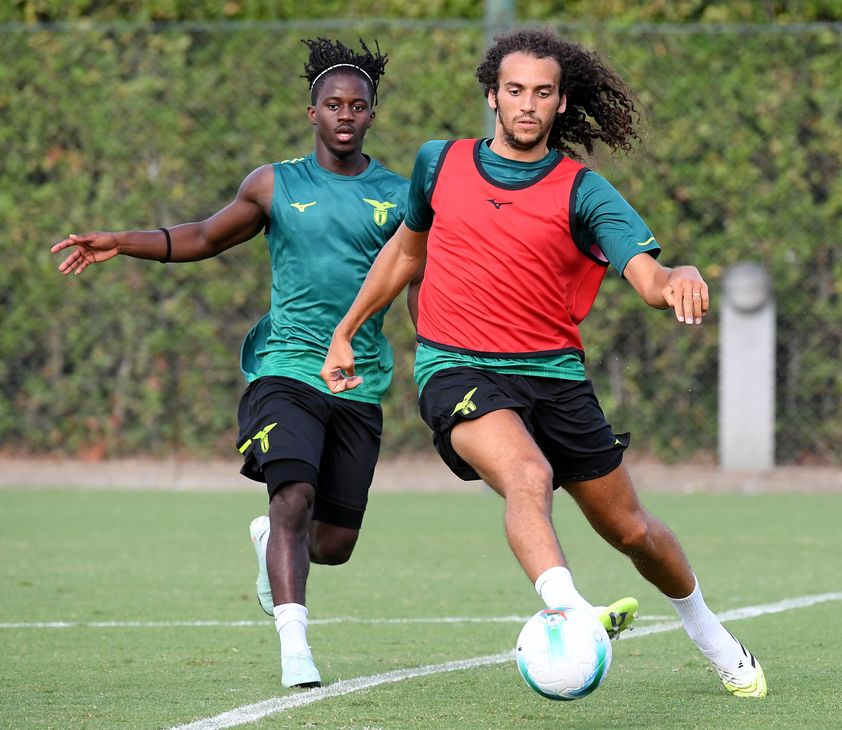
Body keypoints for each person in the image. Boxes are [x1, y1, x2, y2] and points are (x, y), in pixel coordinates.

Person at [319, 28, 767, 698]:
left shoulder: (583, 191)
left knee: (634, 532)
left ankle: (714, 637)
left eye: (543, 93)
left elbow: (647, 278)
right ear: (493, 97)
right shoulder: (440, 164)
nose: (528, 104)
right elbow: (407, 255)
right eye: (515, 90)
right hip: (458, 368)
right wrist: (346, 330)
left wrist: (679, 274)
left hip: (554, 376)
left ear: (561, 104)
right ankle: (573, 614)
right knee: (526, 473)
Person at [51, 37, 414, 690]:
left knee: (332, 544)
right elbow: (202, 236)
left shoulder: (400, 195)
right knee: (292, 493)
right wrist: (121, 242)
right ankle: (295, 647)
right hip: (283, 369)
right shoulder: (274, 184)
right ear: (312, 113)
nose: (344, 115)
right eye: (332, 104)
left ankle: (270, 540)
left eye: (357, 106)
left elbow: (432, 271)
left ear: (372, 115)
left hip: (359, 381)